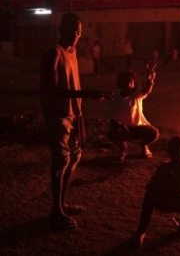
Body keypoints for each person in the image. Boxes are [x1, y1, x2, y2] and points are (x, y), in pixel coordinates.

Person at [39, 12, 112, 231]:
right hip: (57, 116)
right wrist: (85, 94)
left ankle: (62, 204)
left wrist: (80, 115)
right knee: (60, 161)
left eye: (79, 32)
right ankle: (56, 210)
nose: (76, 35)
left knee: (74, 158)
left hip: (73, 115)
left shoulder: (73, 52)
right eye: (72, 30)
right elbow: (51, 89)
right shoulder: (53, 53)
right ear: (62, 30)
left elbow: (73, 82)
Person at [136, 135, 180, 247]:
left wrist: (177, 182)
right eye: (172, 152)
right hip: (162, 200)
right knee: (149, 195)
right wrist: (162, 179)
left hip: (176, 200)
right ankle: (142, 230)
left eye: (179, 153)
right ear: (168, 152)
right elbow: (149, 188)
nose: (176, 157)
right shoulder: (164, 168)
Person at [108, 65, 159, 161]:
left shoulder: (137, 94)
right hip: (123, 130)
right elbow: (111, 118)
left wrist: (150, 80)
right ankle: (123, 148)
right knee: (111, 134)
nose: (127, 84)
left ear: (134, 83)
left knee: (154, 133)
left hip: (138, 128)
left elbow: (147, 90)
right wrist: (119, 126)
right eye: (125, 81)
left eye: (130, 82)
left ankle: (144, 146)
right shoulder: (115, 97)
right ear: (120, 83)